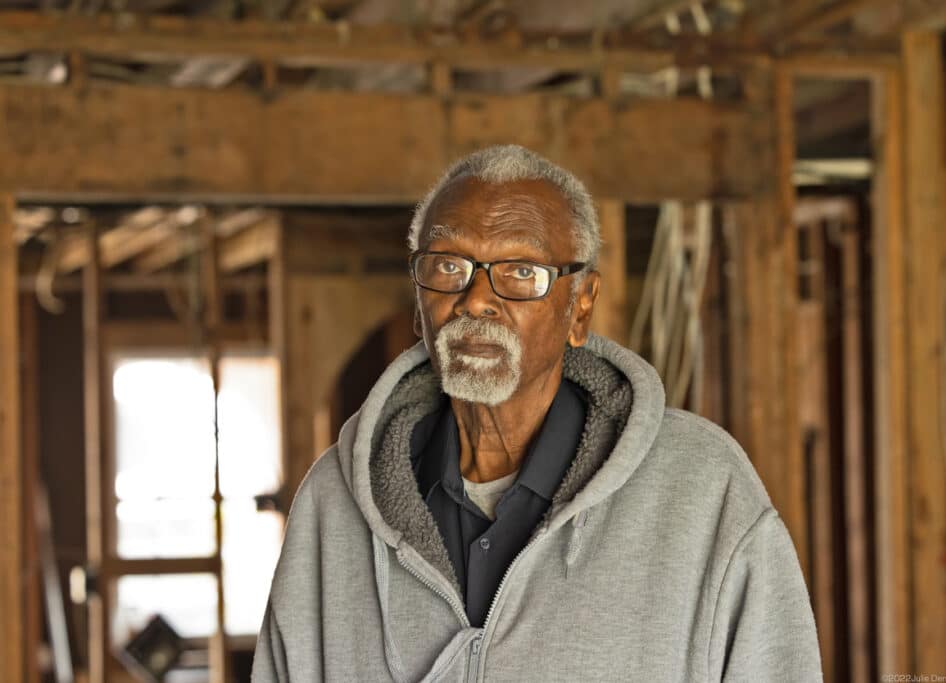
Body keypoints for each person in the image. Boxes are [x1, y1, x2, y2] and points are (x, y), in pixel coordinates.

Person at [253, 145, 822, 681]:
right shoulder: (335, 503)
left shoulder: (702, 490)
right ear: (418, 299)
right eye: (449, 267)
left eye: (522, 273)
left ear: (581, 307)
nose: (476, 299)